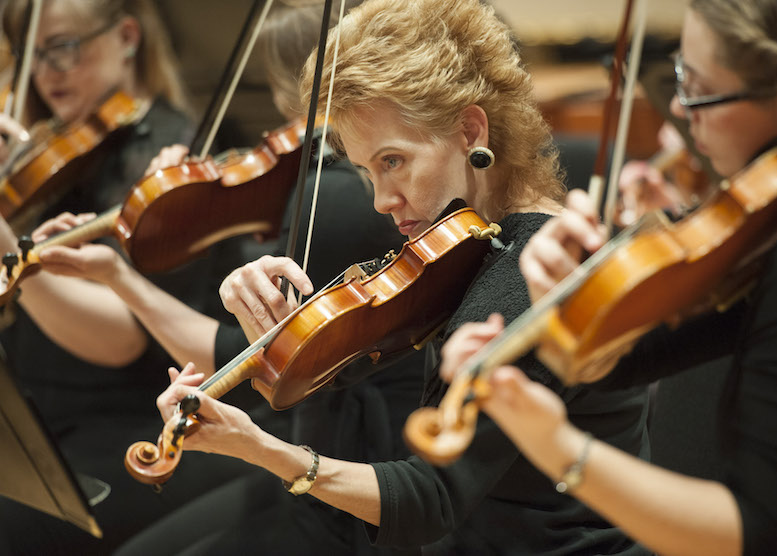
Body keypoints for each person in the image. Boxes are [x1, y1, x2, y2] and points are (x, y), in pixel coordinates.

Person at [140, 1, 652, 553]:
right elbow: (333, 371)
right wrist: (276, 325)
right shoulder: (467, 242)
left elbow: (430, 499)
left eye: (394, 161)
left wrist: (260, 447)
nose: (383, 201)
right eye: (366, 170)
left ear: (470, 129)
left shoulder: (530, 273)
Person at [439, 0, 777, 554]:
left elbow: (754, 529)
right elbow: (637, 360)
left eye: (695, 86)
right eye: (677, 75)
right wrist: (563, 306)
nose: (677, 107)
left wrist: (558, 447)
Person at [33, 2, 427, 554]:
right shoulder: (323, 189)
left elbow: (252, 359)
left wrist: (125, 276)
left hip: (344, 458)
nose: (275, 126)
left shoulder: (336, 198)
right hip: (310, 436)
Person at [0, 1, 263, 554]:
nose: (48, 70)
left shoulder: (173, 163)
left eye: (64, 46)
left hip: (131, 425)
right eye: (31, 53)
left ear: (126, 36)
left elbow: (119, 342)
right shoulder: (48, 152)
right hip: (41, 417)